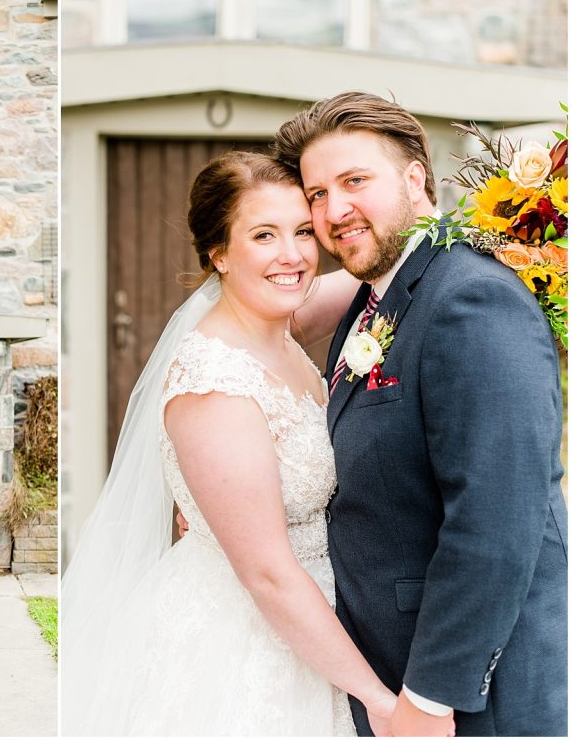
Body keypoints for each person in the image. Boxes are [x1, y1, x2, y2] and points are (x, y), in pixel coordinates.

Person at [61, 152, 414, 736]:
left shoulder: (281, 325)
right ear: (218, 254)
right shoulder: (215, 384)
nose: (293, 255)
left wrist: (465, 226)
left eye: (303, 231)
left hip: (319, 618)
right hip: (251, 640)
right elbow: (268, 574)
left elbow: (372, 266)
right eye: (263, 235)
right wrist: (379, 701)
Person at [273, 91, 567, 736]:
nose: (334, 209)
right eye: (316, 194)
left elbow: (496, 521)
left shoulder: (473, 301)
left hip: (471, 702)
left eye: (354, 181)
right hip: (387, 671)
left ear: (415, 178)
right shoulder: (380, 295)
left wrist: (431, 697)